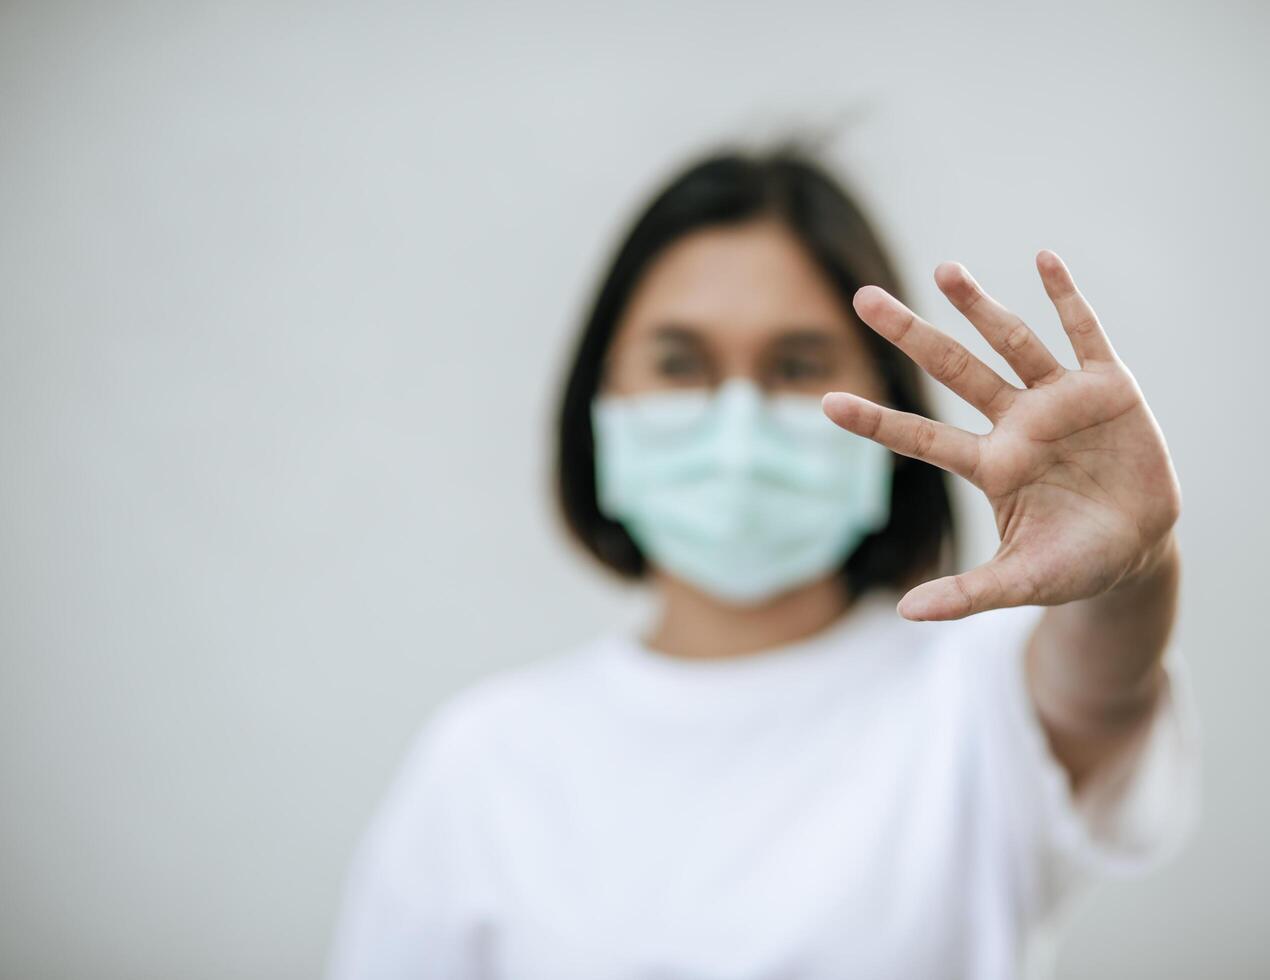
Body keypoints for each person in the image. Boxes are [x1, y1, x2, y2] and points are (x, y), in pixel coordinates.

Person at [325, 142, 1201, 980]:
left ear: (885, 406)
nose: (736, 427)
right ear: (599, 401)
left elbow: (1103, 680)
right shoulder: (486, 761)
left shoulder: (979, 699)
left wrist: (1135, 563)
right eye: (680, 363)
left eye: (793, 365)